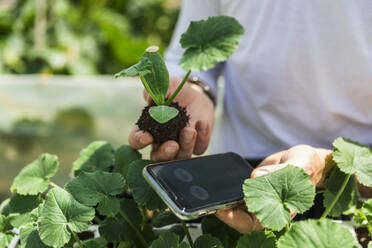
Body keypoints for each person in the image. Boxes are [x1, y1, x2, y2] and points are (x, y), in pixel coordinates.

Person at [128, 0, 372, 233]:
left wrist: (328, 165)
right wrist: (196, 88)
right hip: (239, 170)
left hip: (354, 183)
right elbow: (192, 53)